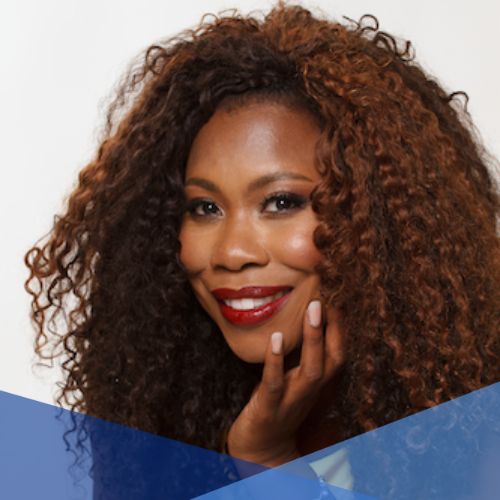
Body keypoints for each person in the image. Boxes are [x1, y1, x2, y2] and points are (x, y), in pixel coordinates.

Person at [25, 0, 499, 487]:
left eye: (280, 202)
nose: (231, 253)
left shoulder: (477, 429)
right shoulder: (171, 425)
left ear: (377, 216)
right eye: (204, 208)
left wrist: (269, 460)